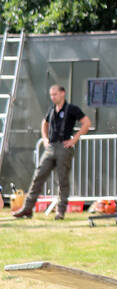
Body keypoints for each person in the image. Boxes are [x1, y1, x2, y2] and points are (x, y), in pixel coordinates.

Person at [12, 84, 91, 219]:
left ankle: (60, 211)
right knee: (38, 176)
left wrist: (74, 139)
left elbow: (87, 123)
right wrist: (45, 139)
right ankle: (27, 208)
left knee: (62, 180)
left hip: (64, 147)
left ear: (62, 93)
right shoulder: (51, 110)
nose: (53, 97)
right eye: (51, 95)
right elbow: (44, 123)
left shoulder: (72, 109)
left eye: (55, 94)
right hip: (51, 147)